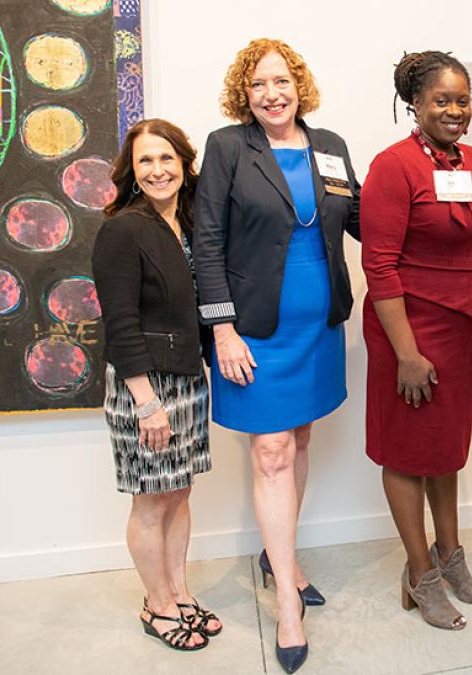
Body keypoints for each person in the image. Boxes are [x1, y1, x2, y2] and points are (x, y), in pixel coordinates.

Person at [193, 38, 361, 674]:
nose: (273, 93)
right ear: (245, 92)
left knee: (299, 438)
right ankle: (288, 601)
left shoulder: (332, 147)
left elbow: (365, 218)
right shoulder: (229, 147)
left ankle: (277, 558)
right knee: (270, 451)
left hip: (319, 325)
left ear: (299, 85)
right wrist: (223, 330)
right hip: (256, 330)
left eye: (282, 81)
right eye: (259, 84)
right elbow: (206, 240)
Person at [361, 50, 472, 631]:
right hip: (409, 329)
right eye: (441, 100)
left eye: (462, 99)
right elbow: (380, 266)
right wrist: (407, 354)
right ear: (414, 105)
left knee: (445, 448)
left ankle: (451, 556)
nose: (454, 110)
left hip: (463, 324)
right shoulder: (392, 166)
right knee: (406, 451)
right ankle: (419, 573)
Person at [91, 118, 221, 651]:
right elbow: (120, 322)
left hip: (189, 377)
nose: (157, 169)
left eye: (166, 158)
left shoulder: (189, 225)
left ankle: (180, 592)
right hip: (144, 386)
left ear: (183, 163)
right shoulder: (123, 228)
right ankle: (157, 605)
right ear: (132, 171)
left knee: (180, 492)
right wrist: (147, 405)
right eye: (145, 161)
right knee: (150, 501)